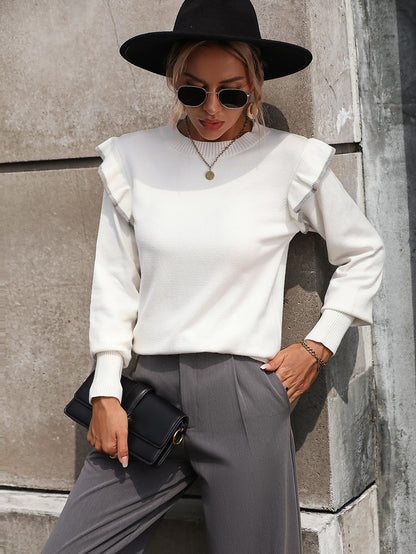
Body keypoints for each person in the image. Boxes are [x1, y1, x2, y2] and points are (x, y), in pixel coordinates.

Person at [42, 0, 384, 552]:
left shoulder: (292, 160)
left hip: (244, 398)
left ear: (256, 84)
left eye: (231, 93)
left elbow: (363, 252)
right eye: (193, 90)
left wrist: (318, 346)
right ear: (174, 82)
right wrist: (105, 389)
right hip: (146, 394)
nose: (211, 108)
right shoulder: (132, 160)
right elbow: (115, 282)